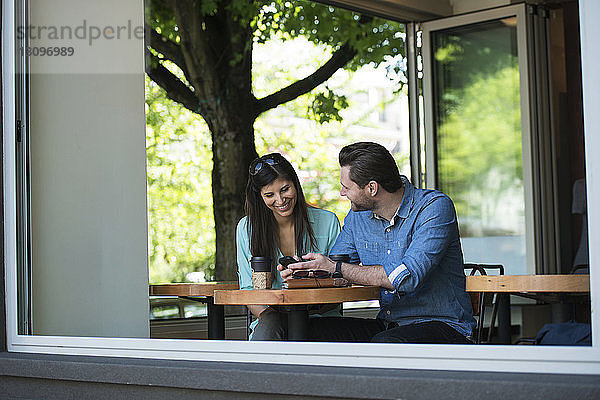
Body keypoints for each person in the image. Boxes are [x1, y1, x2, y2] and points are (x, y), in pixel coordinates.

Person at [279, 142, 476, 343]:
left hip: (445, 326)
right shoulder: (358, 218)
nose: (342, 193)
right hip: (390, 325)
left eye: (346, 187)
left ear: (372, 188)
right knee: (304, 332)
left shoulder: (433, 208)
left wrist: (335, 267)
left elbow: (407, 277)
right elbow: (335, 266)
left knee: (386, 343)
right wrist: (304, 270)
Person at [236, 152, 341, 340]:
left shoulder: (328, 221)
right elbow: (248, 291)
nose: (280, 200)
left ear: (295, 184)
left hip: (320, 318)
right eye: (269, 195)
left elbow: (340, 285)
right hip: (270, 318)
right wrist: (275, 317)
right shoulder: (246, 228)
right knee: (272, 325)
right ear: (259, 196)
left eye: (285, 189)